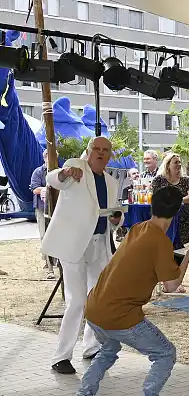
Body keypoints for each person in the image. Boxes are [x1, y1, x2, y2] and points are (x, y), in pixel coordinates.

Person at [64, 186, 189, 396]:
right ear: (177, 211)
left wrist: (176, 258)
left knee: (108, 349)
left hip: (95, 307)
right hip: (120, 315)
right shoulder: (160, 240)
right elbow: (171, 285)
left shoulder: (139, 229)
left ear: (152, 206)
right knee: (165, 354)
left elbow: (144, 260)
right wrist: (188, 259)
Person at [41, 137, 124, 375]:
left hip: (99, 245)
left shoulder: (110, 181)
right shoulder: (77, 168)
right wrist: (65, 172)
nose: (100, 153)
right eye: (95, 149)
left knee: (96, 299)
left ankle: (92, 347)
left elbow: (113, 211)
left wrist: (118, 220)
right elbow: (53, 179)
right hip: (73, 245)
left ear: (110, 155)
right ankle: (61, 356)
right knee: (77, 300)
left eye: (104, 150)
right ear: (88, 152)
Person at [152, 153, 189, 249]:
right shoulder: (158, 180)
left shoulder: (186, 180)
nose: (179, 164)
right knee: (165, 248)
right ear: (168, 165)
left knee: (184, 250)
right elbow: (156, 198)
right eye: (176, 162)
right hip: (166, 220)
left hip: (186, 219)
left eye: (180, 162)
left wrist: (175, 201)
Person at [29, 149, 54, 278]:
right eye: (50, 157)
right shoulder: (38, 172)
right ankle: (50, 268)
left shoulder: (58, 171)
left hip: (56, 209)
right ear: (45, 158)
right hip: (41, 208)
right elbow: (34, 189)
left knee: (56, 236)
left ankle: (54, 262)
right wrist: (44, 189)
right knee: (45, 236)